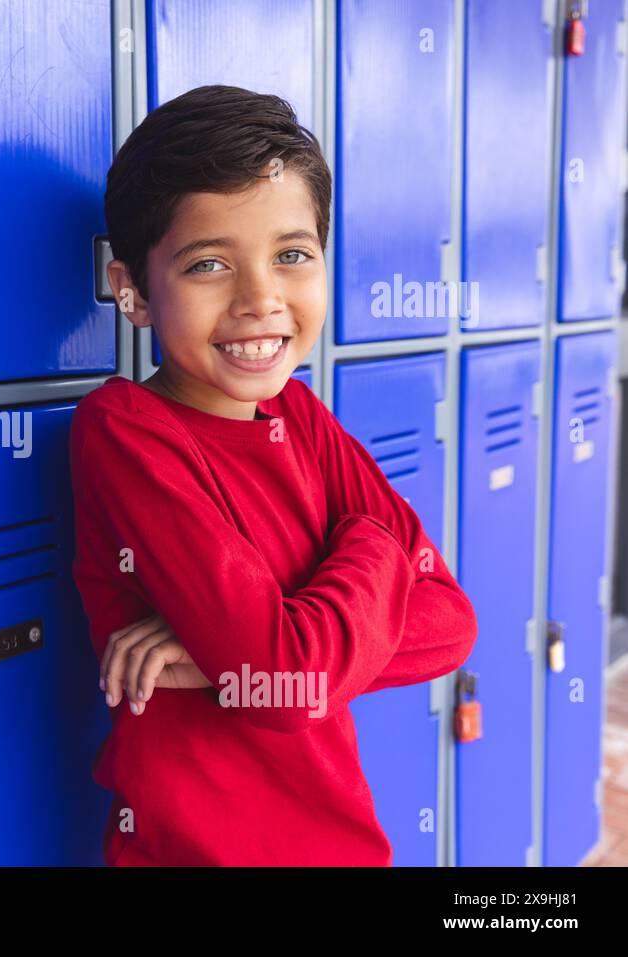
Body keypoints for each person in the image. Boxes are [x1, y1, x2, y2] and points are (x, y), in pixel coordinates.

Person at [70, 84, 478, 866]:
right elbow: (278, 672)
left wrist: (219, 655)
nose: (261, 299)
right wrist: (374, 554)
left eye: (292, 254)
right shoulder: (125, 431)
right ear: (132, 290)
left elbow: (453, 622)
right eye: (209, 264)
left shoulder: (305, 420)